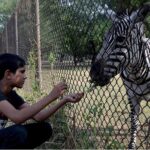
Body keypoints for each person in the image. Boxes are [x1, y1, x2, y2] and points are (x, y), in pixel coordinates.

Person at [0, 53, 84, 149]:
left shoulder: (11, 95)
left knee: (45, 129)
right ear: (8, 74)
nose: (25, 76)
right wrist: (51, 96)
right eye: (22, 72)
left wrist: (64, 100)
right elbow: (18, 117)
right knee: (18, 132)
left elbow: (39, 116)